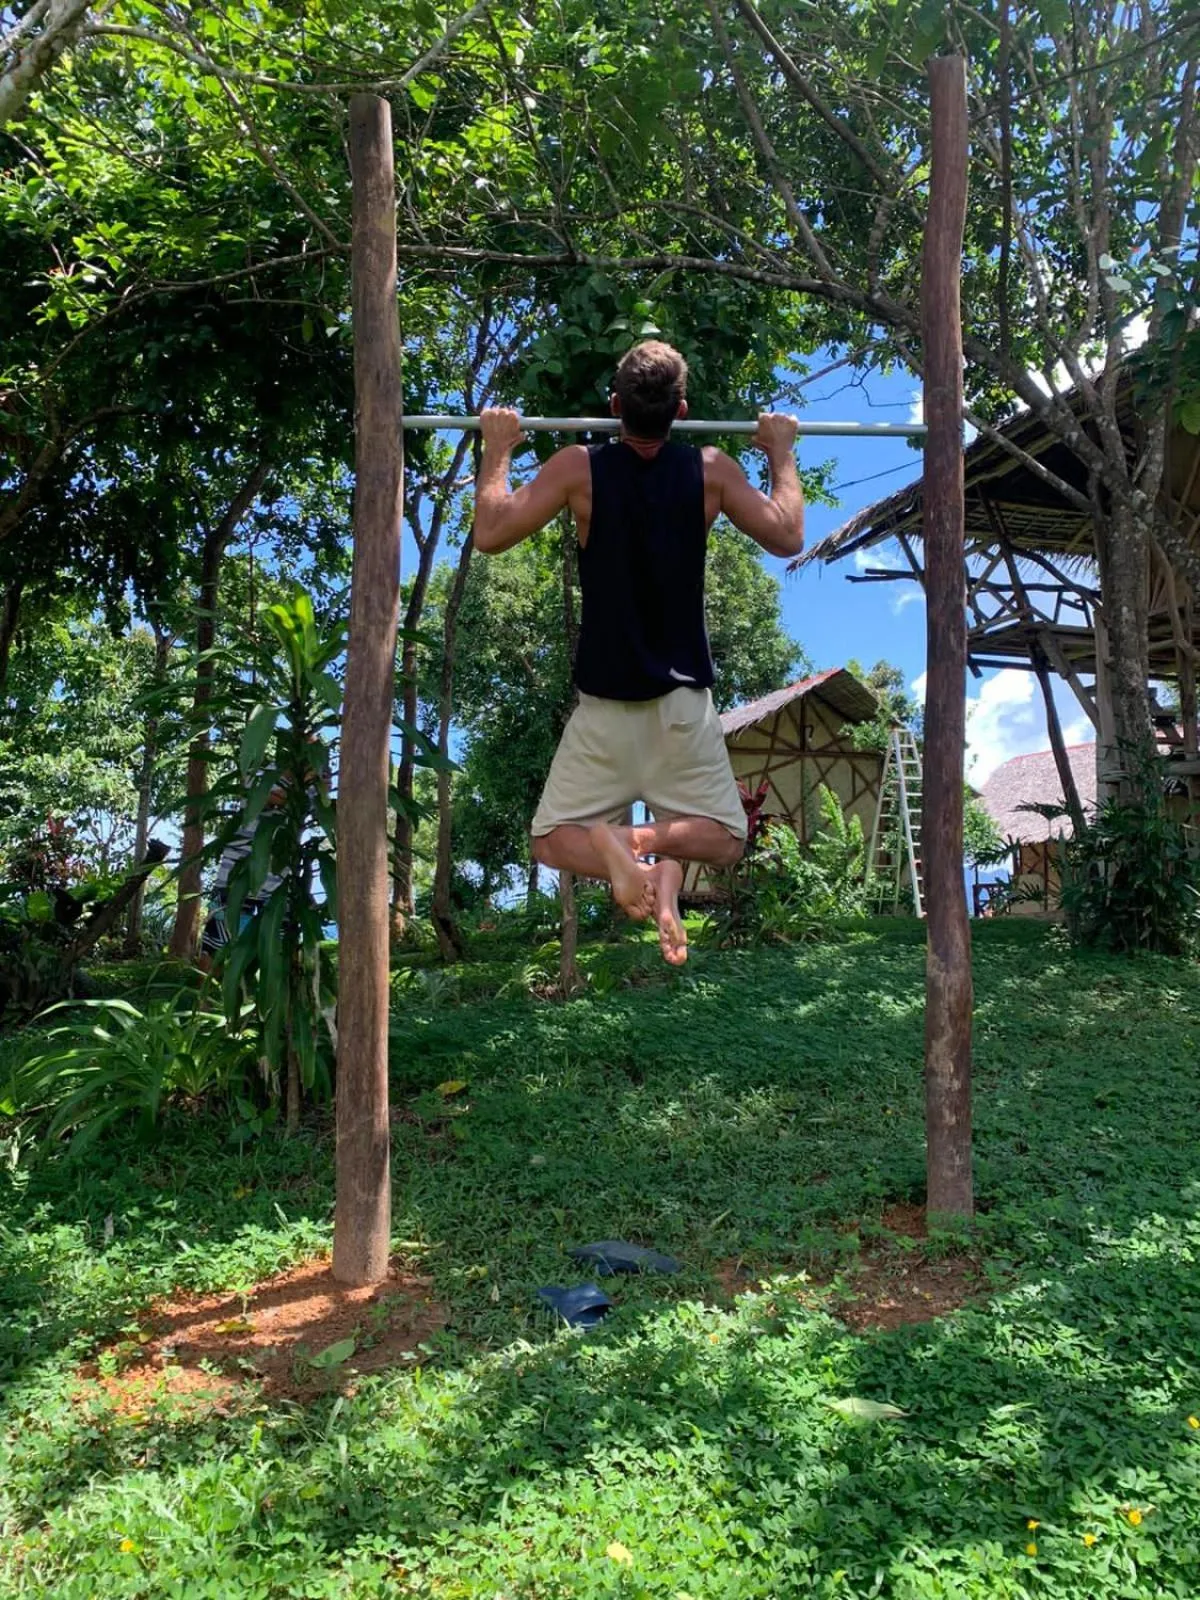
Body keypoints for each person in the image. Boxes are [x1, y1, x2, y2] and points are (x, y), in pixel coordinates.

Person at [473, 340, 805, 965]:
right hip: (681, 709)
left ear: (614, 406)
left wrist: (498, 449)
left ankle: (627, 850)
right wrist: (780, 453)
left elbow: (490, 532)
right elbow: (787, 533)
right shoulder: (712, 470)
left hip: (605, 711)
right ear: (681, 410)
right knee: (727, 839)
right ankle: (646, 853)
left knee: (550, 841)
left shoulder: (578, 468)